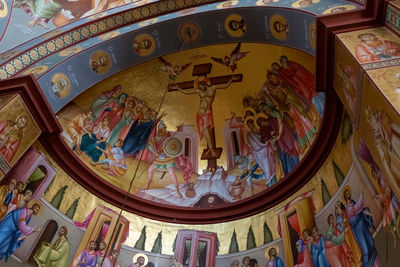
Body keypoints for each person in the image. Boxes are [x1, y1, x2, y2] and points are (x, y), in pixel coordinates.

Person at [173, 76, 234, 157]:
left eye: (201, 86)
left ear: (205, 84)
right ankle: (210, 148)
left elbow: (224, 86)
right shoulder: (199, 91)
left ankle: (211, 149)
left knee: (207, 132)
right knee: (205, 133)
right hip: (200, 114)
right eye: (199, 87)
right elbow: (187, 92)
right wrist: (178, 88)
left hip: (207, 113)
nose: (200, 88)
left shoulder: (213, 88)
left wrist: (231, 80)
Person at [343, 188, 380, 267]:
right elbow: (355, 211)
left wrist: (365, 211)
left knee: (370, 243)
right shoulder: (346, 209)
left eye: (348, 193)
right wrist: (360, 199)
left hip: (363, 226)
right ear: (345, 197)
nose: (348, 194)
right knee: (365, 250)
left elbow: (359, 211)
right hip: (357, 230)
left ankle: (375, 265)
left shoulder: (353, 202)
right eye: (346, 194)